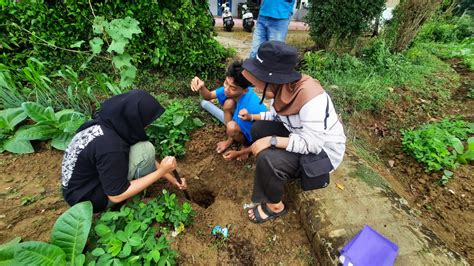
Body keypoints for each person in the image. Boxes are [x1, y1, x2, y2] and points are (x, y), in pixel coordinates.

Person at [240, 41, 346, 223]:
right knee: (258, 128)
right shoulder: (283, 89)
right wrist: (252, 117)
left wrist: (272, 141)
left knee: (268, 159)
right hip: (298, 135)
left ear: (272, 79)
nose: (255, 87)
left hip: (322, 153)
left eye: (258, 80)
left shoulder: (311, 98)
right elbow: (277, 116)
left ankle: (275, 206)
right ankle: (275, 173)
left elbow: (313, 145)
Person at [60, 90, 187, 213]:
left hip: (78, 187)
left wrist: (172, 179)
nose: (147, 126)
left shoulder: (107, 123)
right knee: (145, 149)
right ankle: (132, 200)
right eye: (146, 122)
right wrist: (161, 172)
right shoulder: (112, 146)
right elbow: (116, 195)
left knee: (143, 149)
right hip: (89, 201)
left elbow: (141, 155)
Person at [191, 60, 267, 161]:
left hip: (256, 132)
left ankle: (245, 143)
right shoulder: (230, 88)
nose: (226, 89)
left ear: (245, 90)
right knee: (228, 104)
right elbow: (208, 96)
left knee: (231, 127)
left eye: (233, 88)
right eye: (226, 82)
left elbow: (264, 139)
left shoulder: (251, 108)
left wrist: (242, 151)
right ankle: (232, 138)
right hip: (243, 120)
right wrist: (202, 87)